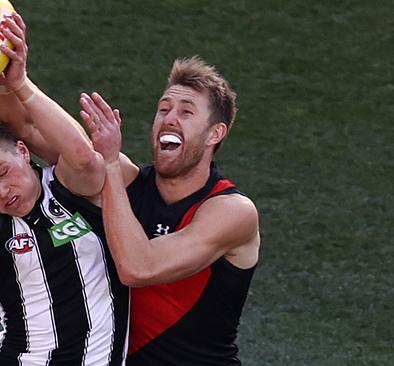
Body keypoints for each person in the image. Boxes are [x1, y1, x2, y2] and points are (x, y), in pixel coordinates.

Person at [0, 15, 129, 365]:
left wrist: (18, 82)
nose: (2, 192)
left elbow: (83, 155)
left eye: (3, 172)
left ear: (22, 151)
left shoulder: (70, 189)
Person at [78, 57, 261, 365]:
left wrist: (109, 164)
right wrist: (16, 85)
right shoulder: (131, 183)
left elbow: (138, 268)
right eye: (164, 109)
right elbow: (34, 131)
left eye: (186, 111)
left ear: (215, 134)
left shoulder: (233, 212)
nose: (169, 118)